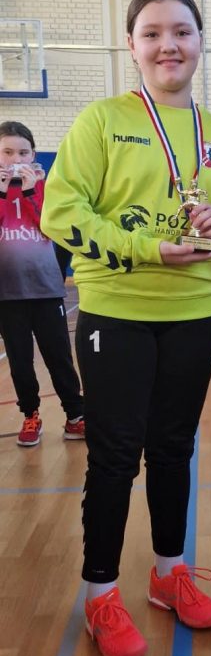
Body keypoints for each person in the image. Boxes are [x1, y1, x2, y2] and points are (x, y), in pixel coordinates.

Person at [41, 0, 211, 656]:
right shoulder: (101, 122)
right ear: (131, 45)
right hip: (116, 312)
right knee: (113, 454)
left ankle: (168, 573)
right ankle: (101, 593)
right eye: (153, 33)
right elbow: (61, 213)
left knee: (173, 448)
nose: (169, 45)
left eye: (182, 31)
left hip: (193, 313)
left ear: (200, 41)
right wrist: (146, 248)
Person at [0, 120, 85, 447]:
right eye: (8, 152)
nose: (16, 159)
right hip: (8, 294)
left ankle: (75, 415)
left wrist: (31, 190)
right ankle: (30, 414)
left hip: (46, 289)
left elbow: (50, 228)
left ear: (33, 154)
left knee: (59, 357)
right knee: (20, 361)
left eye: (23, 152)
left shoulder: (46, 188)